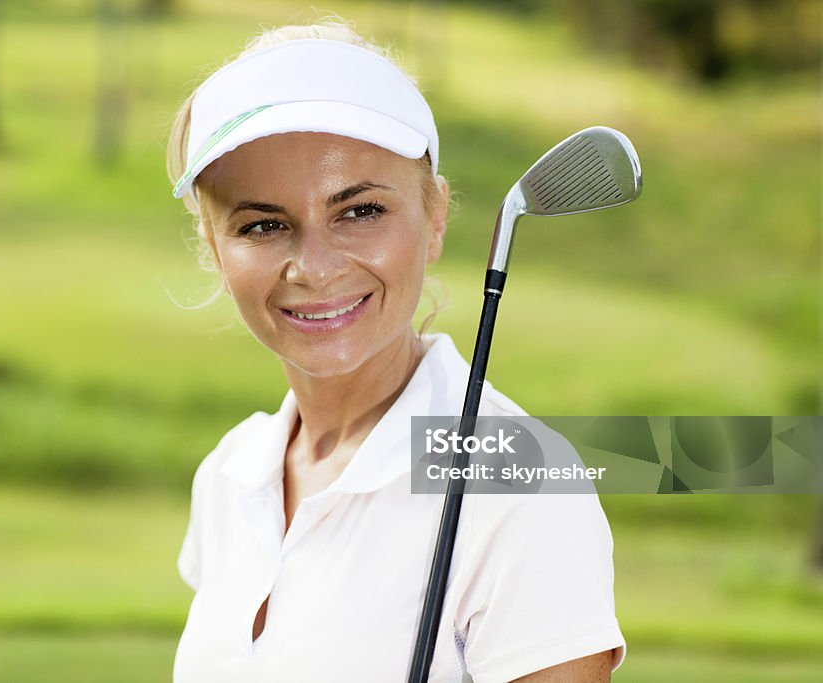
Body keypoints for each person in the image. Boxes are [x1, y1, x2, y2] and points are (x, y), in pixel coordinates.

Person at [165, 18, 626, 682]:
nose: (313, 267)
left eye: (361, 211)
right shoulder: (231, 473)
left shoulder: (524, 486)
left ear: (435, 218)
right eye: (263, 224)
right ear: (215, 248)